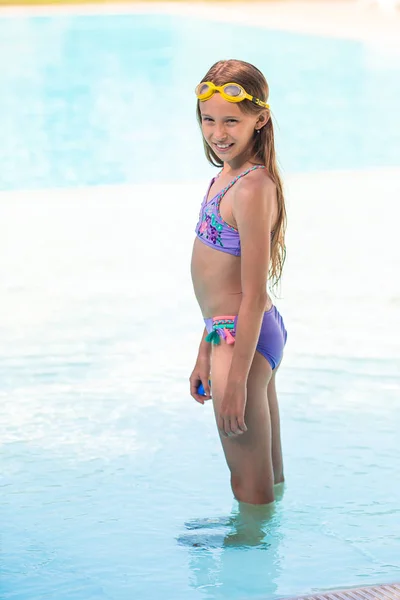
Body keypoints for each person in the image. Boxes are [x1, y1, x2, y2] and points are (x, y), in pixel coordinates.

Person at [189, 59, 288, 506]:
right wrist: (204, 351)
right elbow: (219, 288)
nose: (218, 132)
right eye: (209, 120)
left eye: (232, 120)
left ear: (260, 119)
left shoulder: (251, 187)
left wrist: (234, 384)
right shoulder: (226, 176)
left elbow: (252, 293)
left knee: (250, 488)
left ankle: (250, 561)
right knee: (270, 477)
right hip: (229, 333)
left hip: (240, 337)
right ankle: (266, 549)